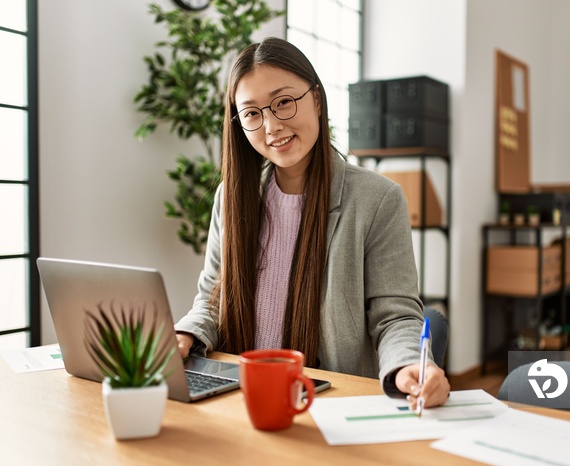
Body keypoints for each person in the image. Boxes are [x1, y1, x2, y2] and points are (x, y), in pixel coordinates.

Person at [174, 37, 450, 409]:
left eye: (284, 102)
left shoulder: (377, 200)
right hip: (237, 396)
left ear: (316, 100)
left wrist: (406, 366)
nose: (271, 126)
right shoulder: (231, 196)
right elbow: (211, 299)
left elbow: (395, 316)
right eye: (253, 113)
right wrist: (185, 334)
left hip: (325, 402)